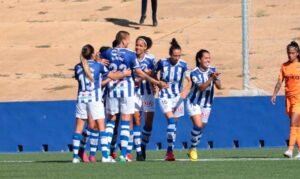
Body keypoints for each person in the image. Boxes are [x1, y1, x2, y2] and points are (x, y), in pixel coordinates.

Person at [101, 30, 167, 162]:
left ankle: (105, 154)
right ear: (124, 40)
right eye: (129, 41)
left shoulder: (107, 52)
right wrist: (156, 82)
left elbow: (97, 59)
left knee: (111, 121)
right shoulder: (131, 55)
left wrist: (99, 60)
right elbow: (139, 72)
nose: (131, 44)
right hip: (127, 90)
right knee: (126, 121)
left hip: (112, 91)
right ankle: (123, 154)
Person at [72, 44, 131, 163]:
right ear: (93, 54)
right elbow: (112, 76)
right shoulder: (98, 66)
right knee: (101, 127)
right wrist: (125, 73)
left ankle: (74, 157)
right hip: (95, 98)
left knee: (78, 128)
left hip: (81, 99)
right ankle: (105, 156)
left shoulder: (78, 67)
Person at [155, 38, 191, 161]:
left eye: (179, 55)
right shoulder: (162, 62)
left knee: (174, 125)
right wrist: (158, 83)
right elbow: (153, 74)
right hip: (164, 95)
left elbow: (190, 80)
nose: (177, 58)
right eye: (175, 55)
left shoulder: (183, 64)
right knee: (171, 121)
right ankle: (170, 152)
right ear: (170, 54)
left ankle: (169, 151)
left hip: (177, 97)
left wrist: (186, 90)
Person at [186, 49, 221, 161]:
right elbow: (201, 88)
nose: (208, 60)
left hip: (207, 104)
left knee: (201, 128)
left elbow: (220, 86)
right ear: (199, 59)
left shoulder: (213, 70)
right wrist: (211, 78)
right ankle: (194, 148)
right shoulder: (194, 72)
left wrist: (215, 79)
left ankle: (191, 148)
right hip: (194, 102)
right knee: (198, 125)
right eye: (206, 58)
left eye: (209, 58)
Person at [271, 41, 300, 158]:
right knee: (297, 126)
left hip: (299, 99)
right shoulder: (284, 66)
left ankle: (290, 149)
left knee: (293, 123)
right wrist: (274, 94)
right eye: (288, 53)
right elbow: (280, 81)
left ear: (297, 53)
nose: (290, 55)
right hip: (289, 99)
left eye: (292, 53)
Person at [130, 36, 156, 161]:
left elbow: (155, 73)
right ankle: (139, 152)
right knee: (136, 121)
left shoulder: (151, 59)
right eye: (136, 45)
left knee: (149, 123)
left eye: (140, 45)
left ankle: (143, 145)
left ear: (145, 47)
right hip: (134, 94)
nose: (138, 47)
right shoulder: (131, 57)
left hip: (148, 93)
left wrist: (154, 81)